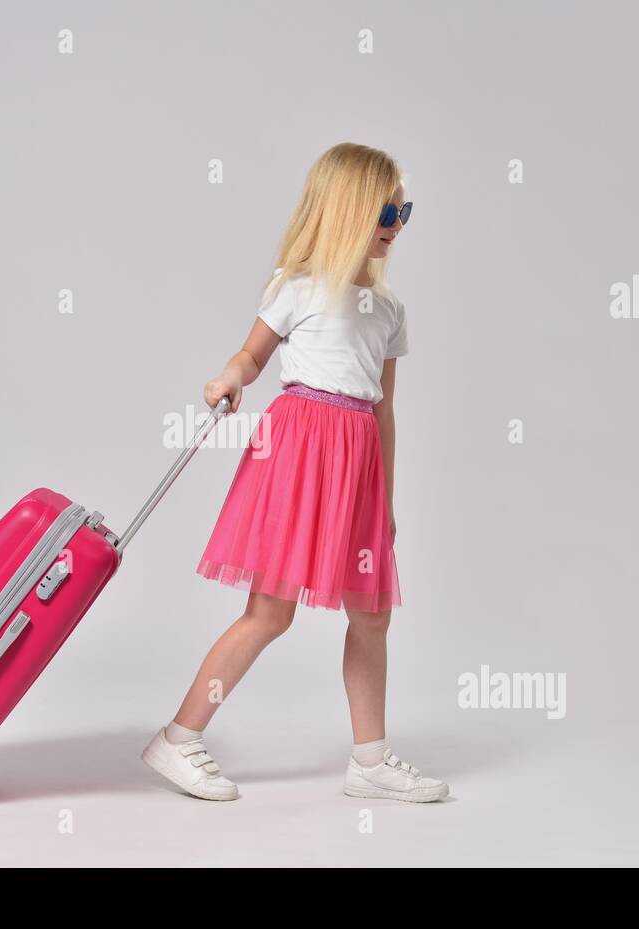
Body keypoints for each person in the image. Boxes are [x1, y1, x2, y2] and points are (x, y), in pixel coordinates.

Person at [141, 143, 449, 803]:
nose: (397, 222)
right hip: (298, 455)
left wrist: (385, 500)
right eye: (386, 209)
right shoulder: (297, 286)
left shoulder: (391, 311)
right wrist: (230, 376)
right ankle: (179, 738)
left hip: (357, 464)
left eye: (404, 209)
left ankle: (369, 760)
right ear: (347, 213)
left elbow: (384, 410)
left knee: (371, 615)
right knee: (269, 611)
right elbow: (252, 356)